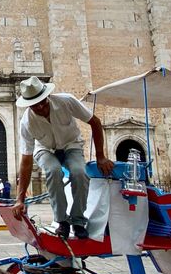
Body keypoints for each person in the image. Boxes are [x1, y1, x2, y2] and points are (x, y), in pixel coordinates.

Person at [11, 76, 115, 240]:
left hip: (71, 145)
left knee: (80, 173)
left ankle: (78, 221)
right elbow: (26, 161)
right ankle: (62, 221)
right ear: (28, 105)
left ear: (48, 96)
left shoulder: (66, 101)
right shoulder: (26, 123)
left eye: (42, 101)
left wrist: (100, 156)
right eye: (35, 105)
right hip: (44, 149)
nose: (40, 107)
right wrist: (19, 199)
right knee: (53, 171)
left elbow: (95, 122)